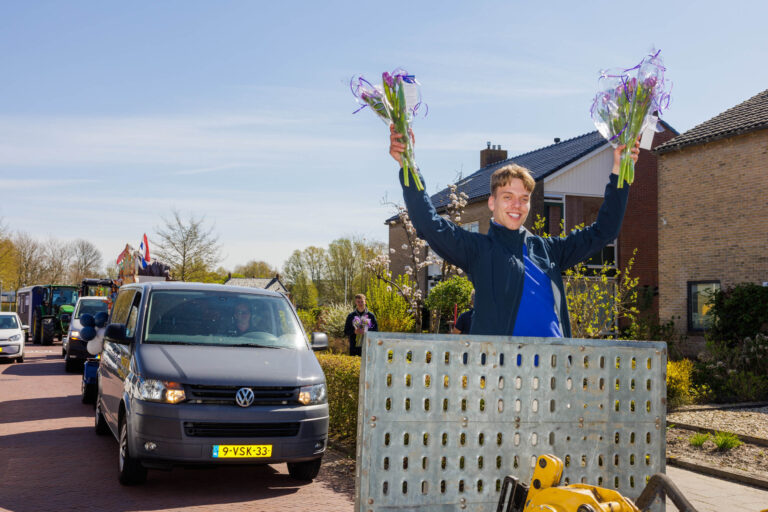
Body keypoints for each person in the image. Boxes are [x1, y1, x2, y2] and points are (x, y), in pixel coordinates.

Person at [389, 124, 640, 337]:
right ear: (492, 202)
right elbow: (427, 223)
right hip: (502, 378)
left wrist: (621, 170)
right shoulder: (478, 251)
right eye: (507, 197)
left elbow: (604, 231)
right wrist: (408, 163)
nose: (516, 205)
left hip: (554, 374)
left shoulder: (548, 250)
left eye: (524, 198)